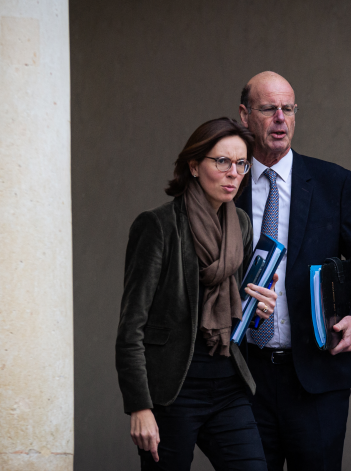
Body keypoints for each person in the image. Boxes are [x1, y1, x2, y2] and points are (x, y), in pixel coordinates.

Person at [236, 71, 351, 470]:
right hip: (244, 379)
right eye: (269, 109)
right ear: (245, 115)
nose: (281, 118)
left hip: (317, 380)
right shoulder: (229, 185)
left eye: (289, 108)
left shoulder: (331, 183)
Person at [115, 117, 279, 471]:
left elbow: (233, 302)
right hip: (173, 390)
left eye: (241, 163)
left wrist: (257, 306)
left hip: (227, 384)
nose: (233, 173)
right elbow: (131, 328)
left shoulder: (242, 225)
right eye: (222, 161)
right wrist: (140, 406)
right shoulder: (158, 226)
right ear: (193, 166)